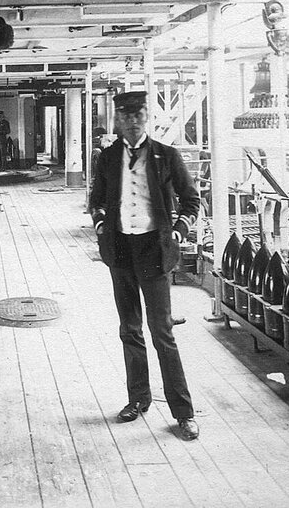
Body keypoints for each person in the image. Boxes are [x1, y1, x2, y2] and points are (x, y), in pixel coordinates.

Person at [88, 91, 200, 441]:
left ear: (147, 117)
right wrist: (102, 225)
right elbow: (97, 200)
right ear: (117, 120)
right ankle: (138, 399)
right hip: (120, 251)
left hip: (154, 250)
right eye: (126, 115)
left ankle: (183, 413)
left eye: (138, 115)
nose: (133, 121)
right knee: (130, 329)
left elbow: (192, 199)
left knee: (162, 332)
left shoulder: (167, 156)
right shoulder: (106, 158)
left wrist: (179, 231)